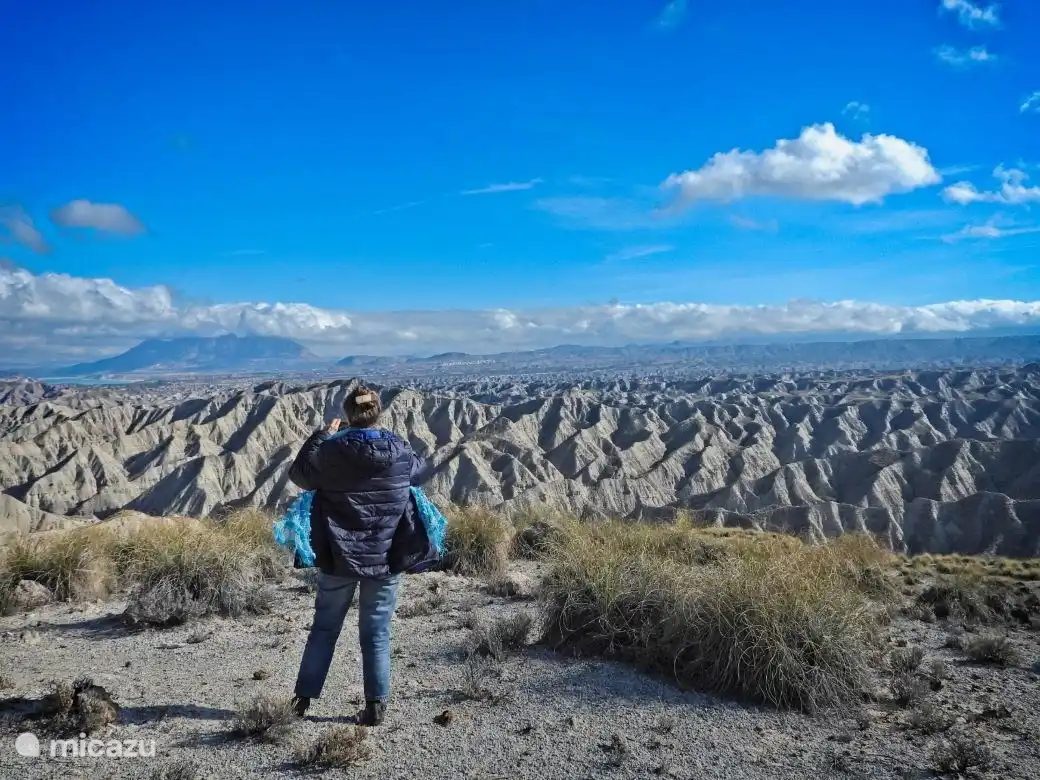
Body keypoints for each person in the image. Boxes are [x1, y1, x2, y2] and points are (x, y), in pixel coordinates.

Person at [286, 383, 424, 726]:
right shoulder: (400, 449)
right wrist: (392, 439)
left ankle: (302, 700)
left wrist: (322, 436)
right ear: (378, 413)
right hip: (386, 557)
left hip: (339, 555)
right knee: (376, 632)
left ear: (347, 415)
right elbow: (419, 471)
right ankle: (376, 706)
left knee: (324, 628)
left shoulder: (331, 452)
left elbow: (300, 475)